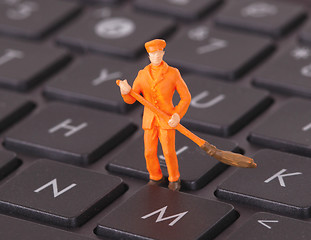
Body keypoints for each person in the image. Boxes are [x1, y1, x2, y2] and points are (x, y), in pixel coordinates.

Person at [118, 39, 191, 191]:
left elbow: (186, 97)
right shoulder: (143, 74)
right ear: (149, 56)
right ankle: (155, 177)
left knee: (169, 152)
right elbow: (132, 99)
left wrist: (177, 115)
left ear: (163, 53)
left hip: (167, 119)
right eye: (153, 54)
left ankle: (174, 179)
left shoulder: (173, 73)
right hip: (150, 120)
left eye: (158, 53)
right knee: (149, 152)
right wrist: (125, 91)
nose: (156, 56)